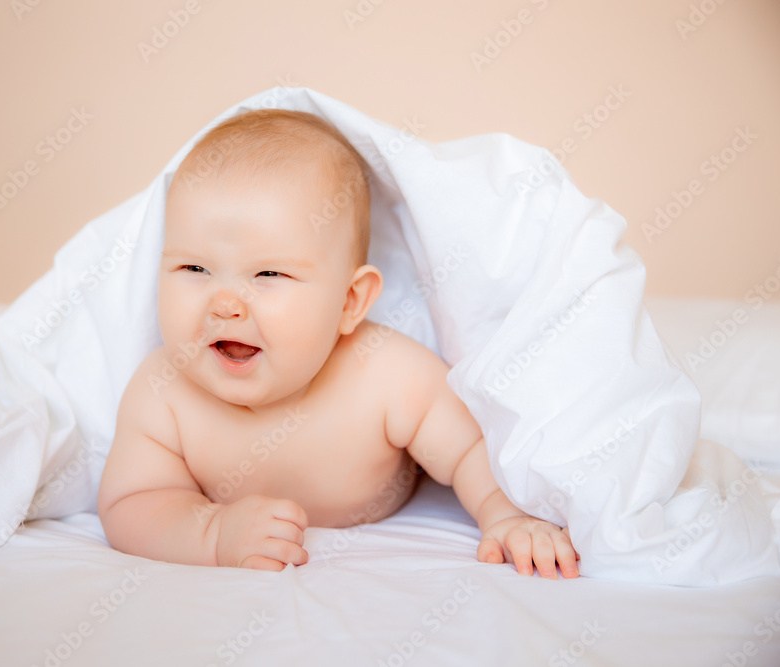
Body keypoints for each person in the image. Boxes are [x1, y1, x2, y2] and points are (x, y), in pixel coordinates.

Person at [97, 108, 580, 579]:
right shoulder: (163, 393)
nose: (225, 304)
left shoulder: (388, 374)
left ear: (350, 301)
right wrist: (214, 533)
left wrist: (506, 516)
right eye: (194, 269)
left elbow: (472, 451)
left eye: (268, 273)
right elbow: (132, 504)